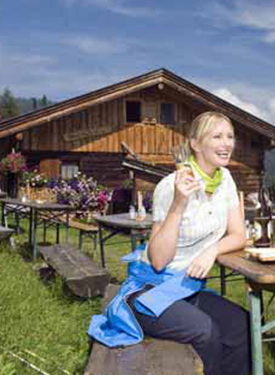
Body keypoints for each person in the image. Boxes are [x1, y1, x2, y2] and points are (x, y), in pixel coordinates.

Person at [88, 111, 251, 375]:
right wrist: (178, 204)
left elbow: (238, 235)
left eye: (230, 136)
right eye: (217, 136)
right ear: (195, 144)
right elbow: (159, 259)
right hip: (149, 291)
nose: (226, 143)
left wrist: (211, 251)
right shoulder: (170, 186)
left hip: (186, 288)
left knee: (241, 323)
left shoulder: (225, 180)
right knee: (206, 331)